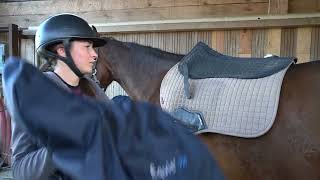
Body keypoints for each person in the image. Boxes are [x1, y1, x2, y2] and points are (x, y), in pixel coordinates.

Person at [10, 13, 108, 180]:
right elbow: (20, 170)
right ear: (62, 51)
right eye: (87, 47)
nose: (95, 55)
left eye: (94, 48)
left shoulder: (94, 90)